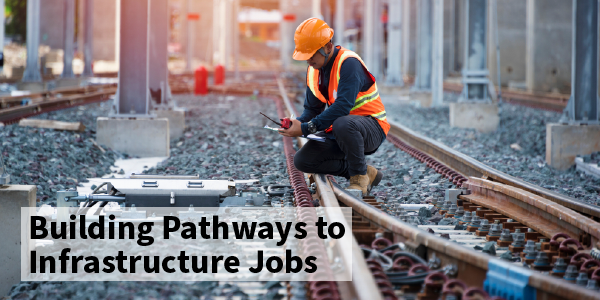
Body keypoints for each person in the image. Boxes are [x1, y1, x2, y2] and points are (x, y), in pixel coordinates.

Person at [278, 18, 389, 195]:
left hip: (371, 128)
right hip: (341, 131)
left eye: (312, 54)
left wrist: (308, 128)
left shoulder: (348, 64)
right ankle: (365, 171)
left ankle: (359, 178)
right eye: (305, 56)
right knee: (303, 161)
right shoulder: (314, 70)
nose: (308, 60)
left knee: (342, 123)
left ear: (328, 47)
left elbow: (343, 106)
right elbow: (312, 110)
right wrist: (296, 124)